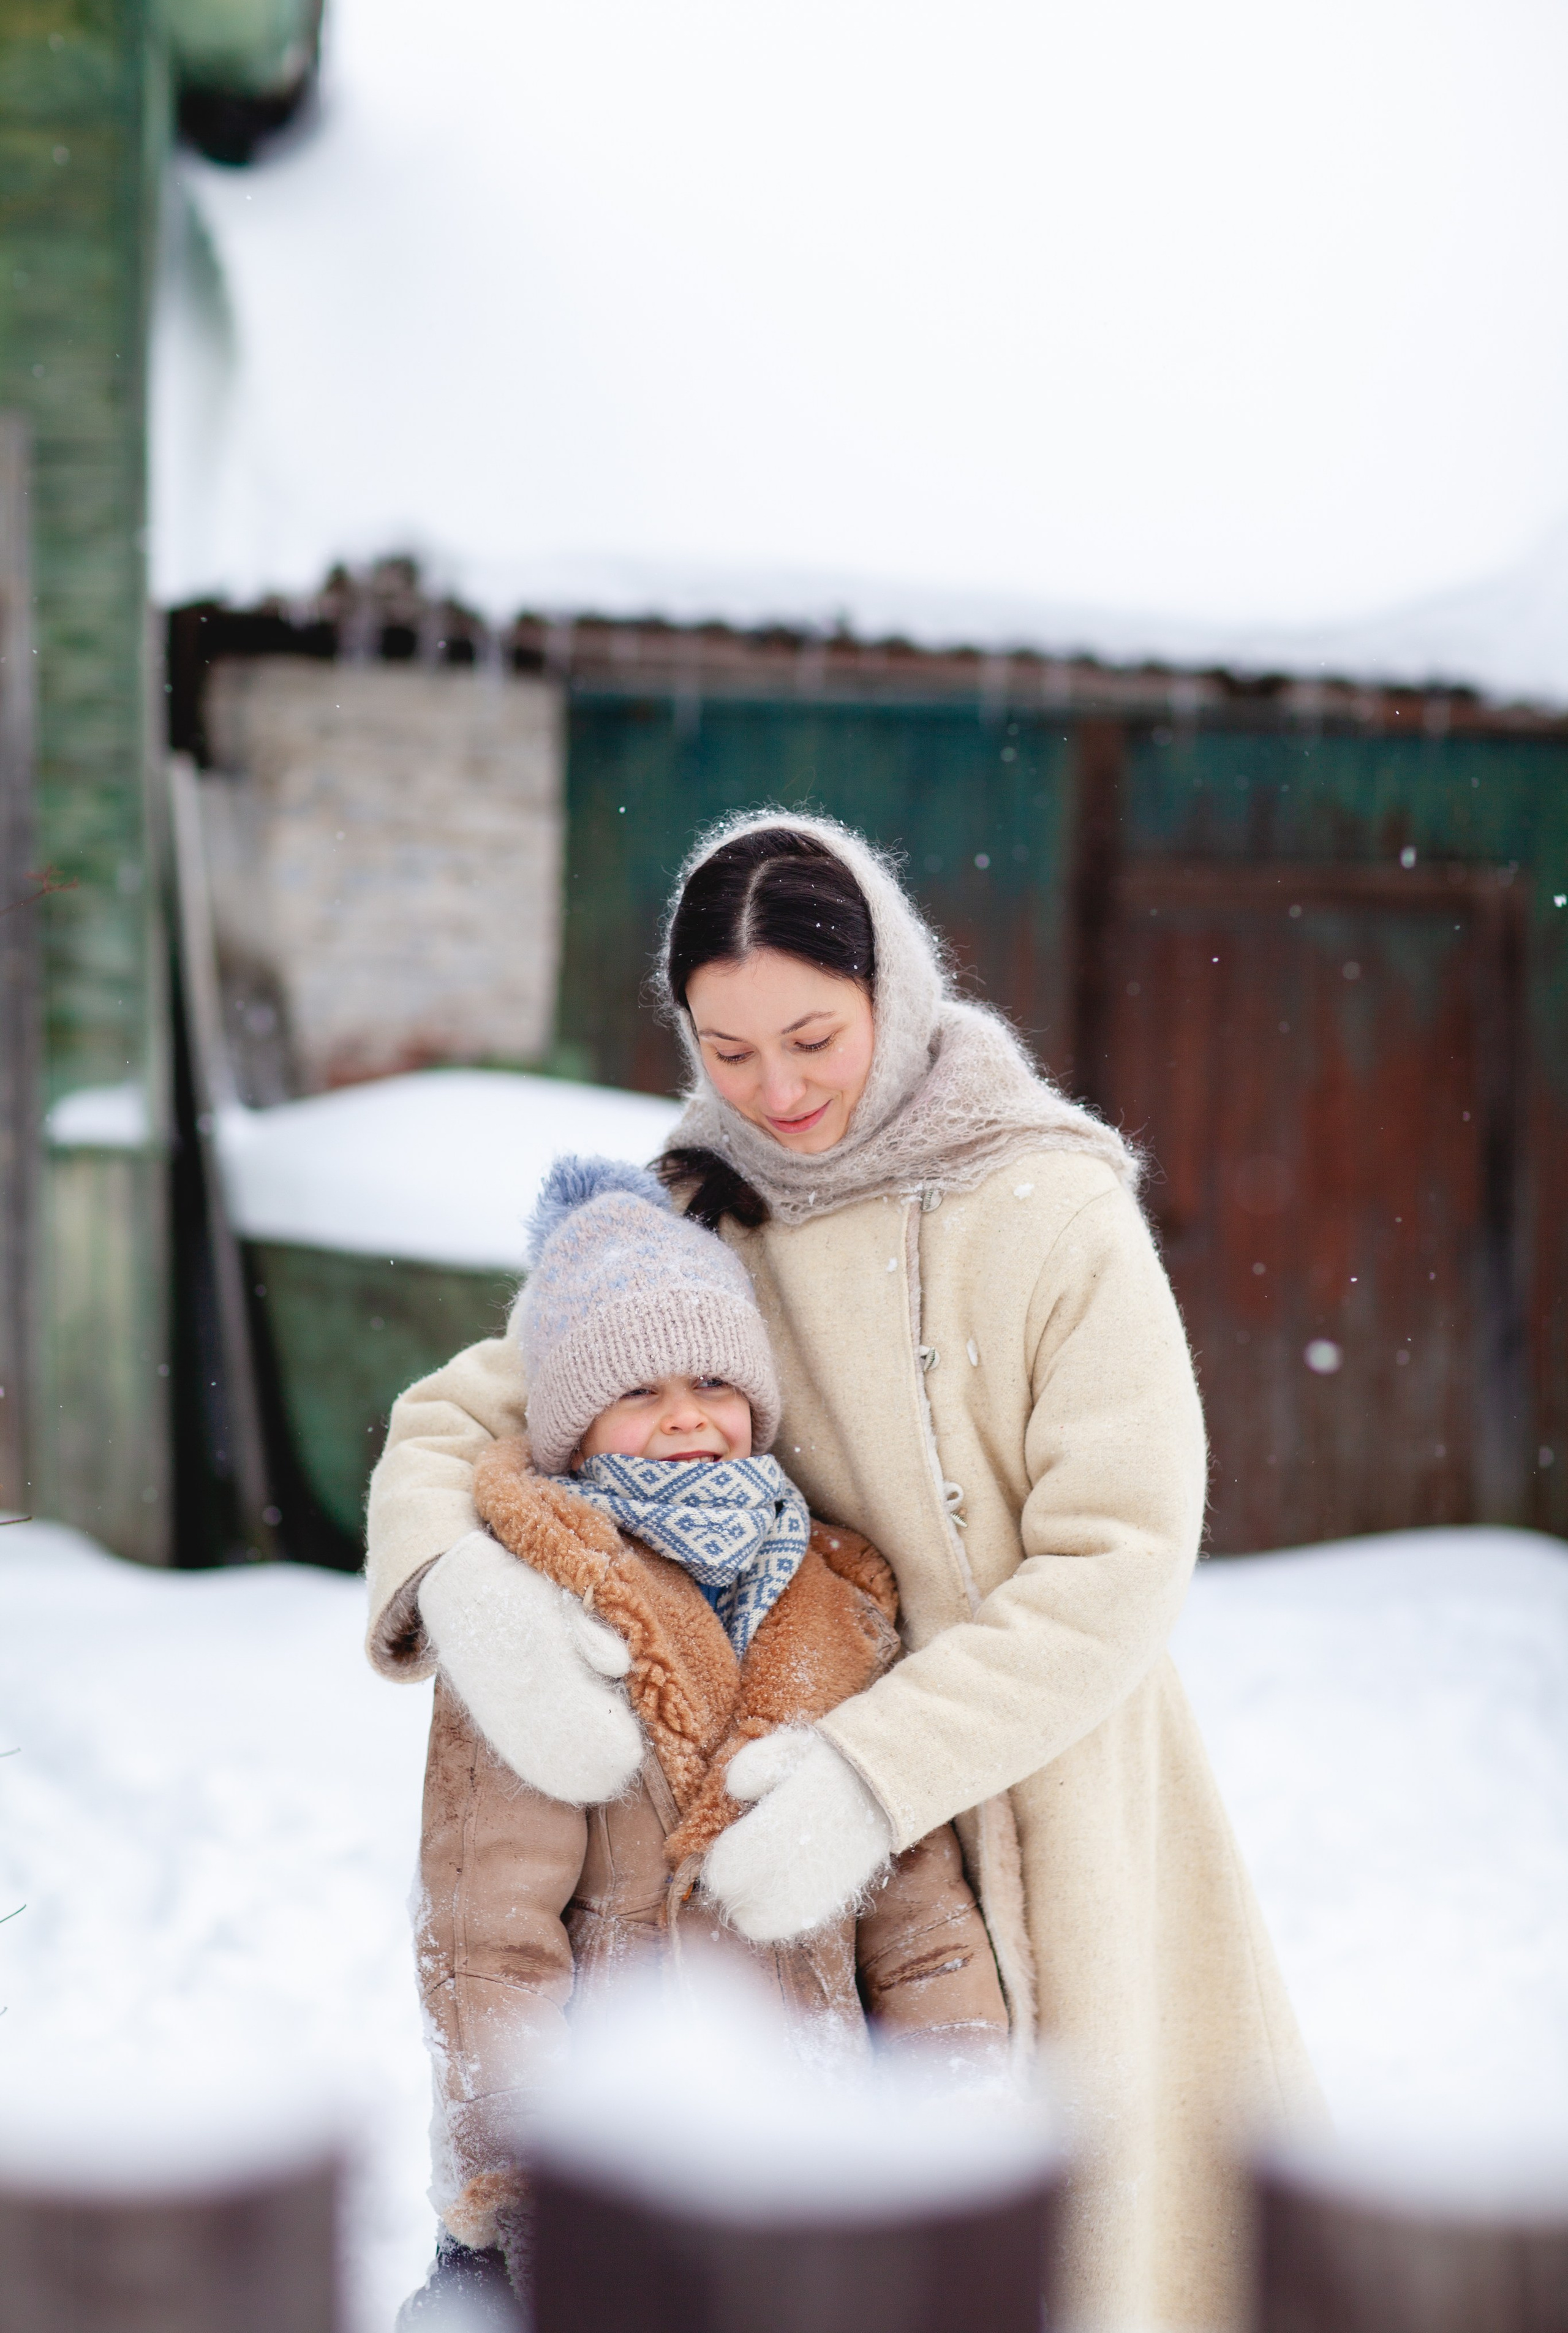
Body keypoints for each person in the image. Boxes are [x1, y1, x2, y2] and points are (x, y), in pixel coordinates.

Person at [367, 812, 1319, 2332]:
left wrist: (874, 1778)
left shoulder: (1051, 1207)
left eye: (812, 1038)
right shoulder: (692, 1210)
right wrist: (459, 1583)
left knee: (1105, 2251)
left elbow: (1121, 1558)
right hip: (785, 1792)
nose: (778, 1093)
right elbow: (463, 1411)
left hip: (1053, 1800)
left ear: (896, 990)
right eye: (727, 1051)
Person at [393, 1152, 1009, 2314]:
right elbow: (488, 1939)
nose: (686, 1416)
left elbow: (918, 1915)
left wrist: (961, 2119)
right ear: (574, 1427)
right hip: (625, 2156)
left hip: (812, 2150)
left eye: (714, 1381)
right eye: (637, 1391)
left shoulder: (839, 1607)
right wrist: (521, 2177)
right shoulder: (539, 1617)